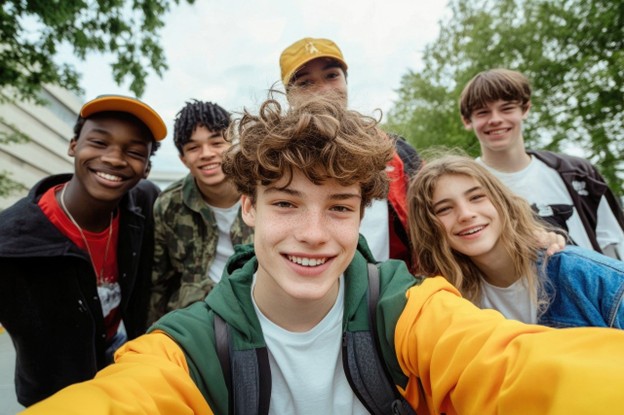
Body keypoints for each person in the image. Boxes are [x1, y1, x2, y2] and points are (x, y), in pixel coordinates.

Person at [21, 96, 624, 415]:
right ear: (248, 210)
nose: (313, 233)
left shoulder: (410, 309)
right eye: (286, 203)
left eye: (338, 207)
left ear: (361, 213)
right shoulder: (188, 347)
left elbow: (516, 367)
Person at [0, 95, 166, 407]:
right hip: (53, 388)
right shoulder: (11, 240)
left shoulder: (144, 204)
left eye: (133, 152)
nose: (115, 158)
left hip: (119, 356)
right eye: (99, 142)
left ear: (145, 169)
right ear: (73, 145)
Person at [407, 154, 624, 328]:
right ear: (429, 227)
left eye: (476, 197)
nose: (465, 214)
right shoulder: (449, 303)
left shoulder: (583, 275)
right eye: (444, 209)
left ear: (502, 201)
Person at [279, 37, 421, 264]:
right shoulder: (271, 160)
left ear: (346, 81)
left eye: (332, 75)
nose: (324, 89)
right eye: (306, 82)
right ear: (289, 96)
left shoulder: (398, 154)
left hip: (389, 290)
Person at [459, 68, 624, 259]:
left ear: (526, 109)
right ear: (467, 120)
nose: (495, 119)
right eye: (483, 112)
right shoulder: (464, 185)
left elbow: (614, 245)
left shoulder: (577, 173)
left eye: (507, 108)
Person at [148, 100, 253, 325]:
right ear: (183, 159)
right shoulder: (168, 205)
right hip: (194, 319)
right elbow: (159, 281)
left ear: (234, 144)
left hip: (257, 309)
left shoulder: (263, 193)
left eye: (216, 142)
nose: (206, 154)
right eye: (193, 148)